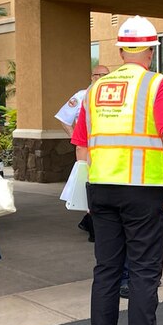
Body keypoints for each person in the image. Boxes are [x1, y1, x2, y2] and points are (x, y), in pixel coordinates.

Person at [71, 15, 163, 325]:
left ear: (120, 50)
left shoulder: (96, 89)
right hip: (144, 191)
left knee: (106, 272)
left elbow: (82, 145)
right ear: (152, 50)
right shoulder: (157, 85)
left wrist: (86, 189)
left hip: (100, 188)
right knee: (143, 274)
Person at [58, 64, 111, 242]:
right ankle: (93, 226)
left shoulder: (111, 96)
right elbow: (64, 118)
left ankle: (88, 221)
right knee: (89, 185)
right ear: (92, 77)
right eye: (99, 75)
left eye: (106, 75)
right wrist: (75, 137)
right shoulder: (82, 96)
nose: (103, 78)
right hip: (87, 148)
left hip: (105, 149)